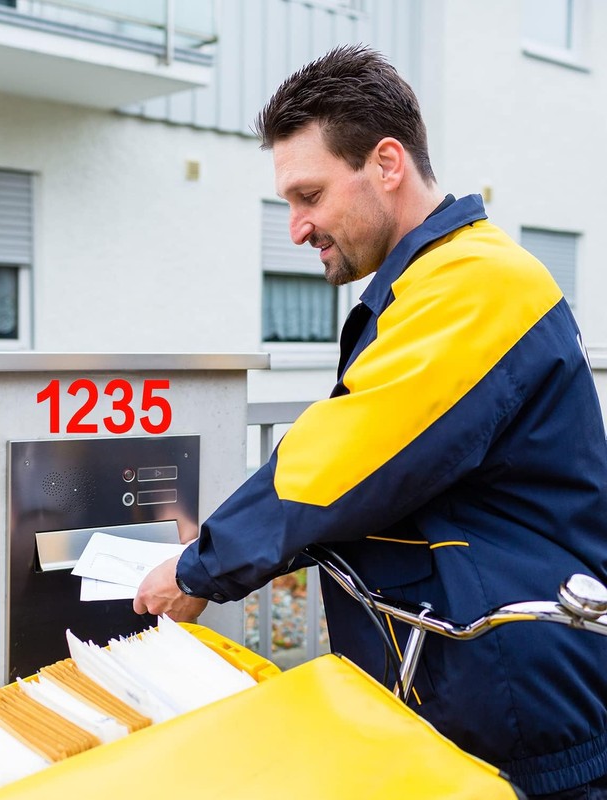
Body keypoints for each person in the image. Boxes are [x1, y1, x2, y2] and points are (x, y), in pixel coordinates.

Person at [133, 44, 607, 799]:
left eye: (310, 195)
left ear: (387, 163)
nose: (297, 227)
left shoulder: (479, 285)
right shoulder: (434, 284)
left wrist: (199, 569)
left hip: (518, 708)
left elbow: (344, 463)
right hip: (477, 686)